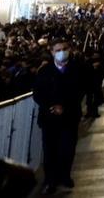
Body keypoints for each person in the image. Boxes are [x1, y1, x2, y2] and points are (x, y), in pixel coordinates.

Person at [32, 38, 84, 195]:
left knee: (68, 149)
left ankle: (65, 176)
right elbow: (38, 94)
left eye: (65, 48)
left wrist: (65, 107)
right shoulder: (44, 71)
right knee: (50, 151)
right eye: (58, 50)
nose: (62, 52)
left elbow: (80, 91)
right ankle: (50, 180)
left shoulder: (77, 69)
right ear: (52, 52)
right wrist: (51, 107)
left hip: (70, 116)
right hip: (49, 118)